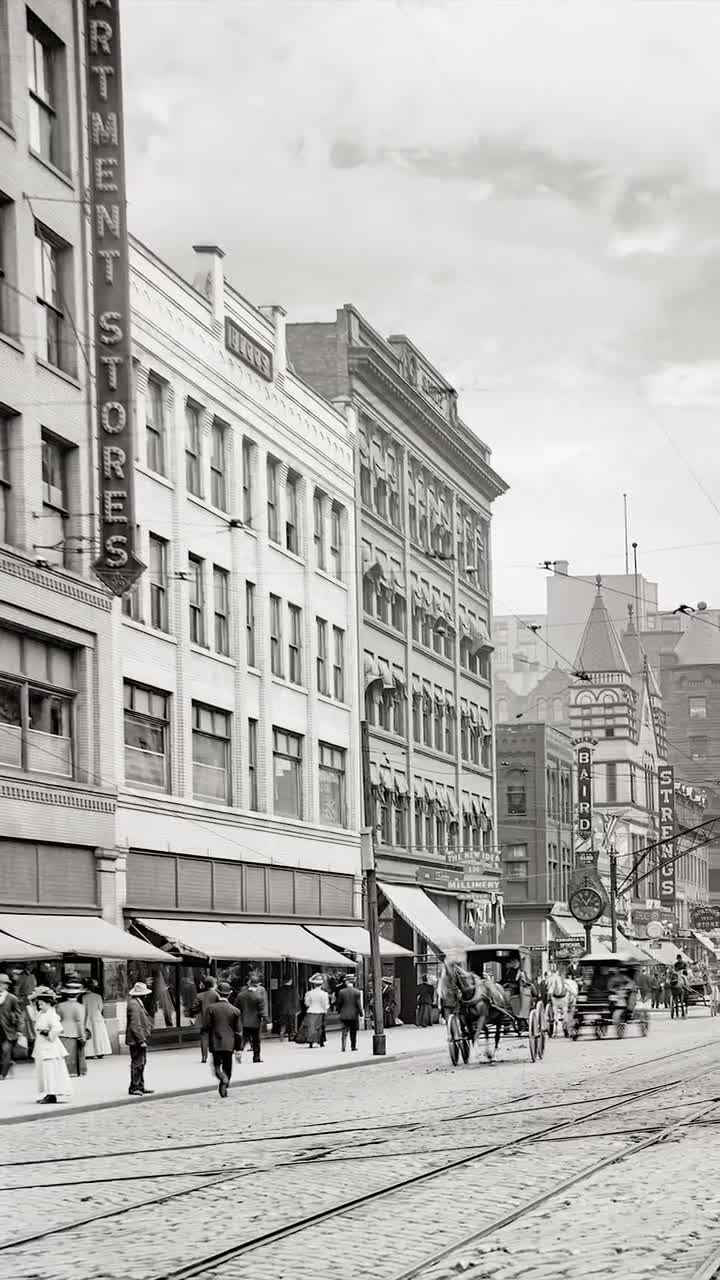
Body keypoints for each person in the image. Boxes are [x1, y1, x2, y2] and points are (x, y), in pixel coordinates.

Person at [31, 986, 72, 1104]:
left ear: (49, 1004)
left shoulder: (52, 1015)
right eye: (39, 1004)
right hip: (42, 1046)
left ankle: (52, 1094)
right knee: (45, 1071)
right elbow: (33, 1015)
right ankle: (49, 1093)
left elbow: (58, 1028)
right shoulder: (42, 1014)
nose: (40, 1006)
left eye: (42, 1004)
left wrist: (47, 1033)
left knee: (50, 1071)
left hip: (50, 1047)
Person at [203, 981, 243, 1097]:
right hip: (229, 1042)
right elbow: (238, 1031)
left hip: (215, 1041)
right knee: (228, 1065)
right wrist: (238, 1048)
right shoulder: (235, 1010)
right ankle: (224, 1083)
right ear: (229, 994)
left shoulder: (211, 1009)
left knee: (216, 1065)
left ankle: (222, 1077)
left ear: (217, 993)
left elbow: (206, 1026)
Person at [126, 981, 154, 1096]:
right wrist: (141, 1040)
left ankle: (140, 1086)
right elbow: (135, 1024)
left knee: (141, 1063)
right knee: (137, 1063)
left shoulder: (137, 1002)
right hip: (136, 1040)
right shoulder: (134, 1004)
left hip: (137, 1038)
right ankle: (134, 1087)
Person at [56, 980, 89, 1078]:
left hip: (62, 1031)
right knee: (73, 1054)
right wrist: (82, 1036)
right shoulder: (80, 1007)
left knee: (63, 1053)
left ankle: (62, 1071)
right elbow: (80, 1022)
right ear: (78, 994)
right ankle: (74, 1071)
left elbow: (58, 1019)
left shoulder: (60, 1005)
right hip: (74, 1032)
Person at [233, 974, 266, 1063]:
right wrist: (267, 1020)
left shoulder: (241, 995)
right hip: (255, 1022)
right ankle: (256, 1058)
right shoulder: (258, 997)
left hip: (244, 1021)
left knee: (243, 1039)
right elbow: (262, 1010)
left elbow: (235, 1008)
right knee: (256, 1041)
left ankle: (238, 1053)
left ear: (249, 984)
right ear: (257, 985)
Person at [191, 977, 219, 1064]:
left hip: (203, 1020)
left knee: (204, 1038)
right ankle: (217, 1056)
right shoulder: (217, 995)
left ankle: (204, 1057)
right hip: (215, 1020)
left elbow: (194, 1008)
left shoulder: (199, 995)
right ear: (214, 985)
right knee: (216, 1038)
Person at [83, 980, 112, 1059]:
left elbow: (83, 1009)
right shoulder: (98, 996)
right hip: (97, 1017)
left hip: (88, 1017)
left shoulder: (84, 997)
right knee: (99, 1035)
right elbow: (100, 1008)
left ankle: (89, 1053)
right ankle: (100, 1052)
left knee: (90, 1036)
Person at [0, 973, 21, 1079]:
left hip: (8, 1030)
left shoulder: (12, 998)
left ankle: (3, 1074)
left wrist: (19, 1030)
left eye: (4, 984)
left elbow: (18, 1014)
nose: (4, 986)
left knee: (6, 1051)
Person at [298, 974, 329, 1047]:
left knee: (311, 1027)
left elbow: (307, 1003)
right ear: (321, 984)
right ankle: (321, 1041)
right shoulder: (324, 994)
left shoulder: (309, 993)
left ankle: (311, 1042)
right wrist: (326, 1009)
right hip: (321, 1011)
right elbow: (325, 1004)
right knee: (320, 1027)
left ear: (314, 984)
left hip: (311, 1011)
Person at [335, 974, 363, 1051]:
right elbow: (358, 1004)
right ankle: (353, 1046)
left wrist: (338, 1011)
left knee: (344, 1031)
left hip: (344, 1014)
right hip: (354, 1015)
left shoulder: (341, 992)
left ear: (346, 982)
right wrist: (361, 1013)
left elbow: (339, 1003)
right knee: (353, 1032)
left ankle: (343, 1046)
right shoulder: (357, 992)